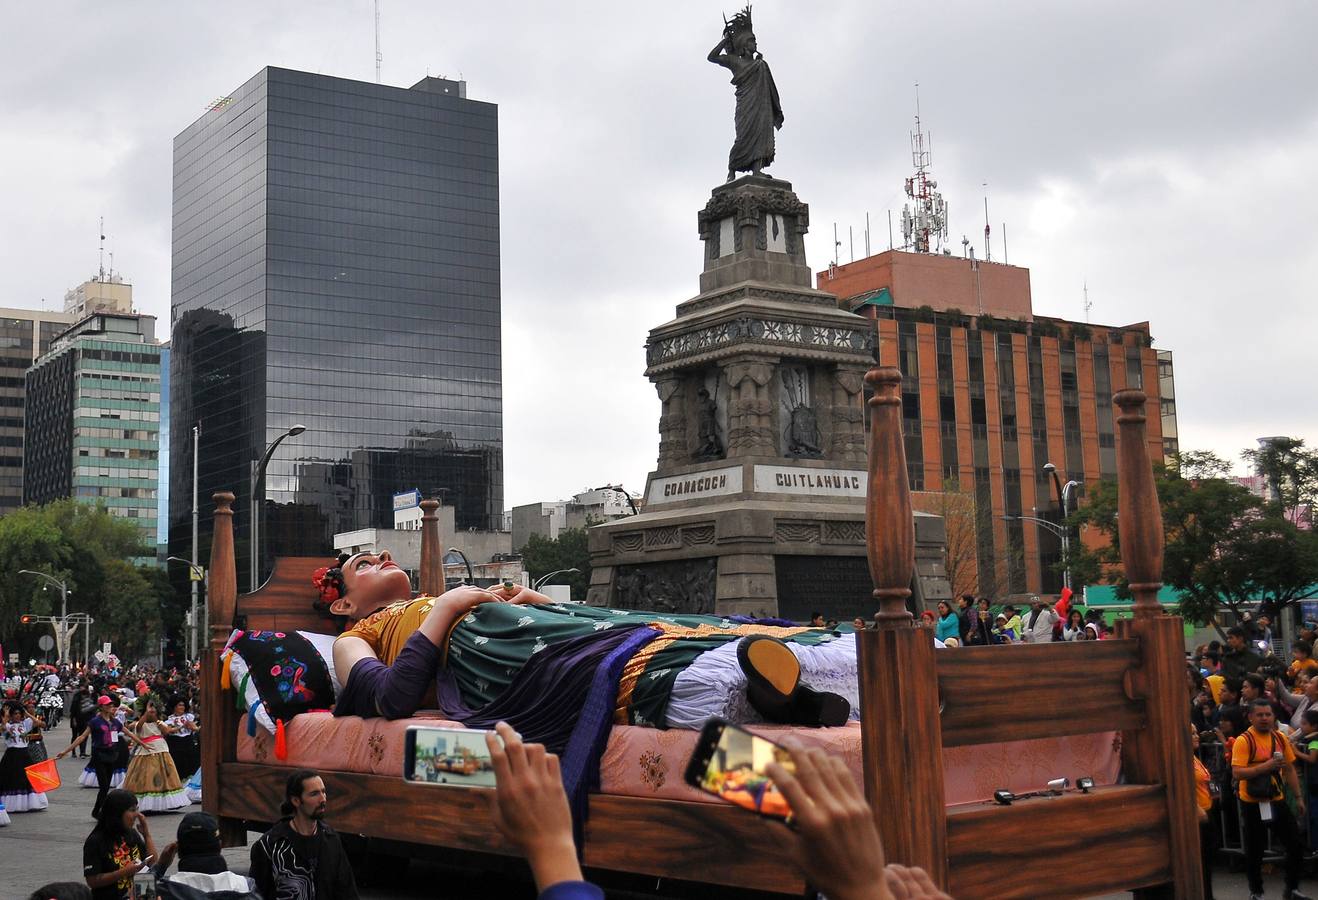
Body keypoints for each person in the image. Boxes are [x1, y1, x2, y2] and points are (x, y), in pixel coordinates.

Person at [1231, 699, 1310, 900]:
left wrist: (1298, 797)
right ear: (1250, 717)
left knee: (1295, 844)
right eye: (1260, 715)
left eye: (1268, 714)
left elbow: (1289, 768)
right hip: (1252, 802)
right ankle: (1256, 892)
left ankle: (1292, 888)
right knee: (1255, 850)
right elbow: (1237, 773)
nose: (1265, 718)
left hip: (1276, 799)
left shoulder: (1280, 738)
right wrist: (1264, 767)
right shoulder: (1244, 740)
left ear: (1274, 716)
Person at [250, 769, 358, 900]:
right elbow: (255, 893)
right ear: (296, 800)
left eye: (323, 792)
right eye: (314, 794)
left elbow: (347, 891)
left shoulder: (331, 840)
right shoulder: (270, 845)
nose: (322, 799)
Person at [707, 6, 784, 182]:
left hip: (761, 106)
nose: (755, 44)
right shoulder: (735, 61)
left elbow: (768, 87)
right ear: (744, 44)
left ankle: (757, 170)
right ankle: (731, 170)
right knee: (743, 136)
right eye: (752, 41)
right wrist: (724, 42)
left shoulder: (760, 64)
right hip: (746, 105)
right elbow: (712, 57)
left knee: (762, 133)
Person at [56, 696, 144, 819]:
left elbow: (128, 733)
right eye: (107, 704)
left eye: (111, 704)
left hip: (112, 756)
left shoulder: (115, 722)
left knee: (106, 787)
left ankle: (98, 811)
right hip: (99, 756)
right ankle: (100, 811)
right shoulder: (95, 722)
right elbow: (82, 737)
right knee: (104, 787)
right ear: (101, 706)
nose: (110, 706)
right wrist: (66, 751)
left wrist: (143, 744)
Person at [149, 811, 259, 896]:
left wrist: (160, 867)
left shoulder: (167, 889)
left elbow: (143, 888)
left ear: (177, 848)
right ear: (220, 845)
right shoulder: (244, 886)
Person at [82, 789, 157, 900]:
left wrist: (146, 835)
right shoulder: (95, 841)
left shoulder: (131, 834)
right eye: (132, 810)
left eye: (137, 809)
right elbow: (92, 881)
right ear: (117, 814)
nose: (137, 814)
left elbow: (152, 862)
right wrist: (123, 872)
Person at [122, 703, 190, 813]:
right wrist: (146, 713)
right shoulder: (139, 723)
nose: (151, 713)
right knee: (147, 775)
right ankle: (145, 802)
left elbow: (166, 731)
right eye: (149, 711)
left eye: (153, 711)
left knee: (163, 775)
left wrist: (156, 720)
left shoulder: (159, 723)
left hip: (161, 750)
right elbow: (138, 727)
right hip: (145, 751)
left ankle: (162, 802)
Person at [1, 701, 50, 813]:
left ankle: (30, 803)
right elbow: (3, 727)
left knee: (28, 780)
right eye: (15, 713)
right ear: (11, 715)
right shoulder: (7, 726)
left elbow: (38, 722)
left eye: (19, 713)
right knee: (13, 780)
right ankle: (14, 805)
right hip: (12, 756)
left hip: (25, 755)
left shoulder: (24, 724)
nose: (17, 715)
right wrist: (6, 716)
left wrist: (27, 713)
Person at [1191, 725, 1217, 900]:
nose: (1196, 736)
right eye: (1191, 733)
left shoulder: (1193, 757)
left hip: (1208, 809)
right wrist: (1196, 808)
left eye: (1196, 732)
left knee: (1207, 861)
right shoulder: (1181, 759)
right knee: (1200, 862)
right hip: (1197, 816)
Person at [1289, 709, 1318, 852]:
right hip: (1310, 783)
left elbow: (1312, 758)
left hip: (1315, 783)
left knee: (1314, 816)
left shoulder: (1315, 740)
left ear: (1315, 726)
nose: (1301, 726)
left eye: (1305, 723)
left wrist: (1296, 752)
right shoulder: (1306, 739)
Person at [162, 698, 200, 782]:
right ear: (174, 707)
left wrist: (193, 727)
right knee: (177, 762)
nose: (182, 707)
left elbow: (194, 727)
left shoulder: (189, 717)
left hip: (188, 741)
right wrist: (182, 726)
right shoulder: (169, 719)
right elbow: (168, 730)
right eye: (180, 705)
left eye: (183, 705)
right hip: (175, 742)